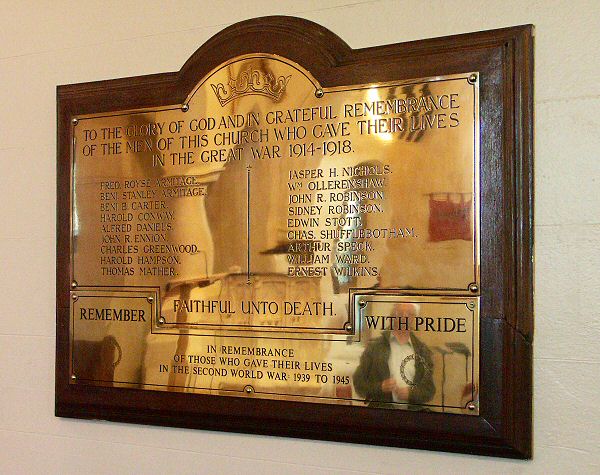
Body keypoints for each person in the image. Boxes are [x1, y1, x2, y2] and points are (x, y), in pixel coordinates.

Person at [353, 303, 435, 409]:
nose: (404, 317)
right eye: (400, 313)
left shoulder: (423, 351)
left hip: (413, 418)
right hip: (380, 415)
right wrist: (380, 387)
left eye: (409, 314)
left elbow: (429, 391)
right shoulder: (374, 348)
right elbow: (359, 384)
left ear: (414, 319)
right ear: (392, 317)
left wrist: (411, 394)